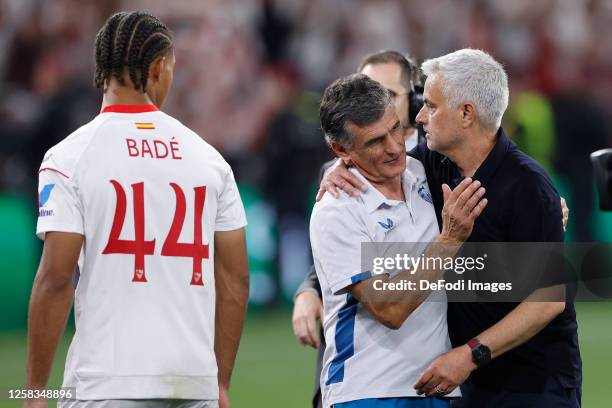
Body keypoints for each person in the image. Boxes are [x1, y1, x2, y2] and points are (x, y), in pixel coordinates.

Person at [310, 49, 581, 407]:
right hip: (460, 386)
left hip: (532, 383)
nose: (419, 117)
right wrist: (338, 168)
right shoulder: (430, 166)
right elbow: (370, 158)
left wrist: (469, 355)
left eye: (432, 106)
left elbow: (547, 301)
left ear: (466, 114)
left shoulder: (528, 186)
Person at [26, 12, 249, 408]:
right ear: (159, 67)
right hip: (192, 381)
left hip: (107, 381)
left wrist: (35, 392)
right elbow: (235, 280)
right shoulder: (209, 160)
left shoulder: (69, 158)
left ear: (103, 69)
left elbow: (55, 279)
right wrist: (219, 384)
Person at [312, 73, 488, 408]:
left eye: (395, 129)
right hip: (368, 392)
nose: (394, 148)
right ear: (340, 149)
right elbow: (389, 309)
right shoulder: (336, 211)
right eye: (375, 141)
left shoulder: (424, 172)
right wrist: (449, 240)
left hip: (437, 387)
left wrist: (550, 205)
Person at [293, 51, 426, 408]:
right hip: (368, 384)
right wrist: (309, 288)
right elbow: (340, 257)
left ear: (414, 101)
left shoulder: (439, 167)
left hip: (443, 378)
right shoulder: (339, 186)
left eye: (389, 96)